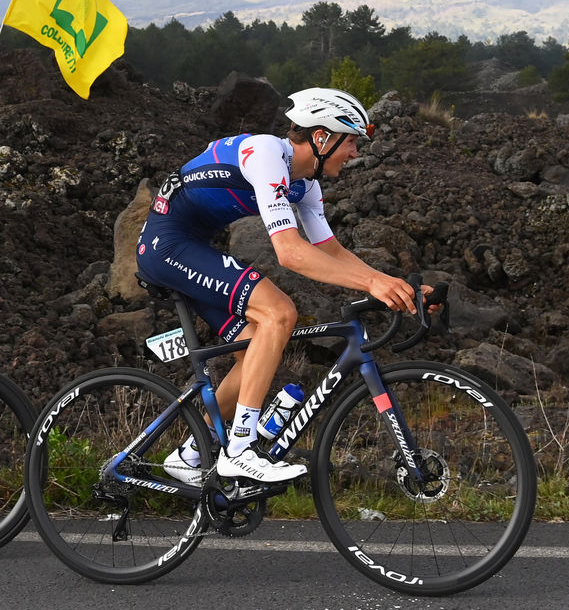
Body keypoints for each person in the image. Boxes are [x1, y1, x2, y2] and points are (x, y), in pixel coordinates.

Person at [136, 87, 423, 484]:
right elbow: (289, 252)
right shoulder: (268, 154)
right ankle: (238, 449)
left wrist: (394, 285)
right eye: (352, 140)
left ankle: (192, 452)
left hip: (193, 245)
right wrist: (372, 282)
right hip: (167, 244)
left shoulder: (305, 185)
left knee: (255, 343)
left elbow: (332, 252)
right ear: (321, 137)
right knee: (279, 312)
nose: (355, 152)